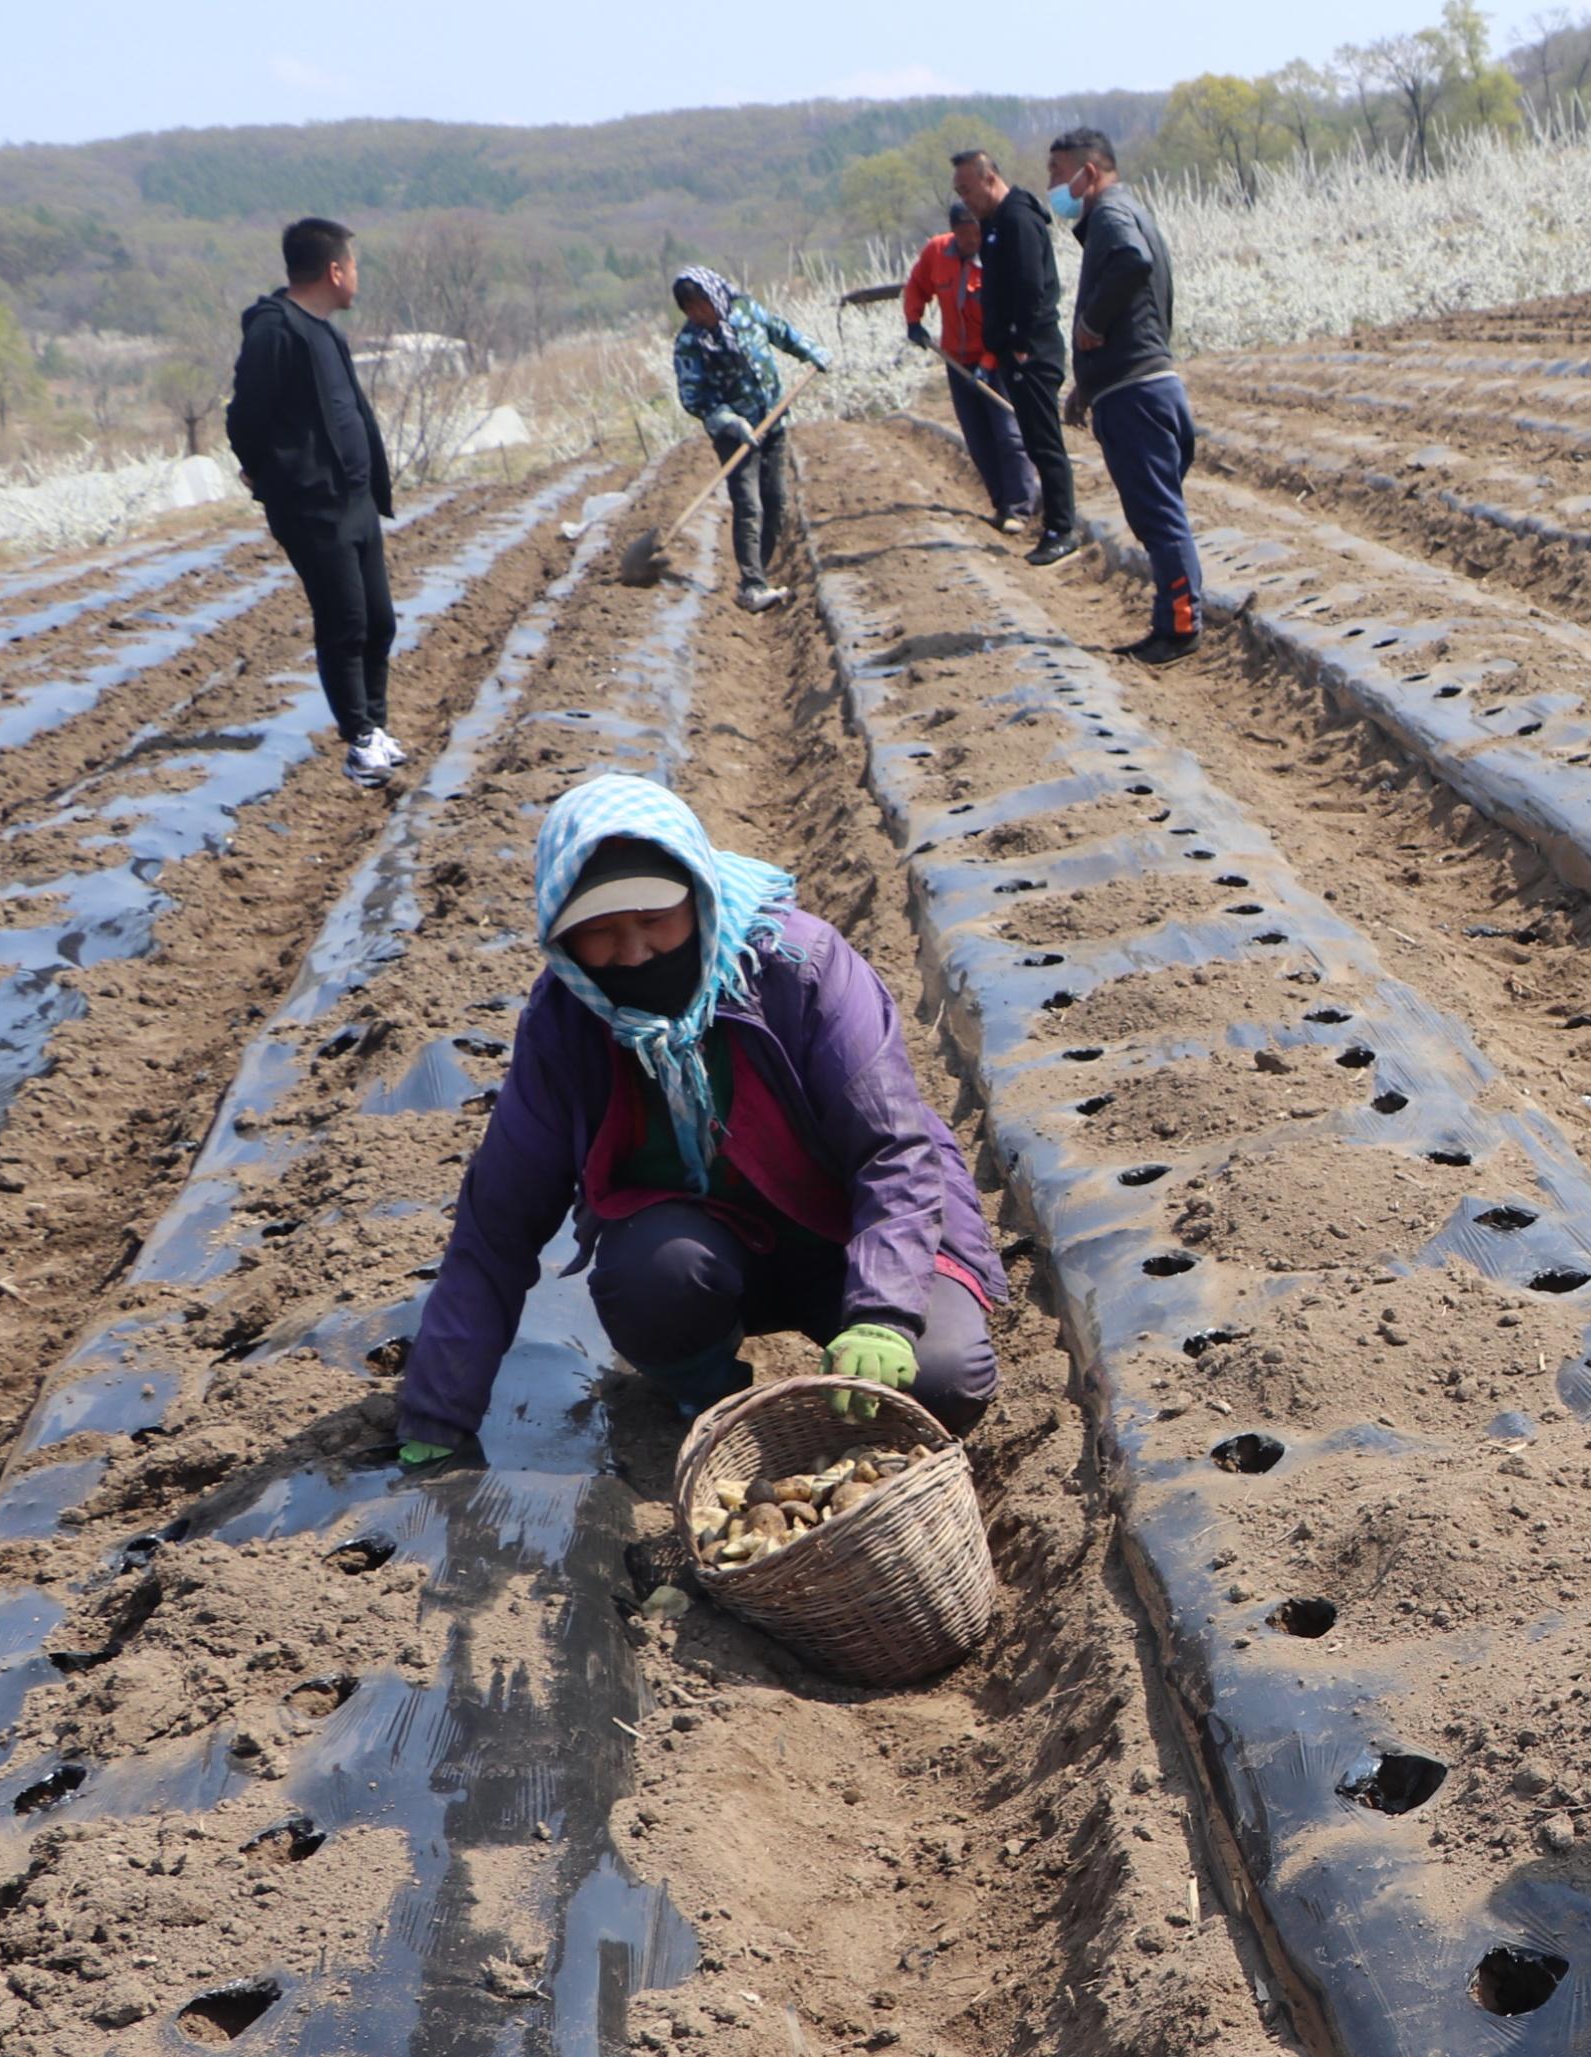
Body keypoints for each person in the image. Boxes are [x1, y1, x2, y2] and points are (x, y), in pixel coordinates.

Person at [396, 775, 1006, 1468]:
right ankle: (717, 1406)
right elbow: (500, 1217)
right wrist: (439, 1408)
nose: (632, 953)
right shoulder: (567, 1019)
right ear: (561, 931)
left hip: (852, 1229)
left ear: (699, 895)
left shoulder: (798, 968)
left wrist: (884, 1315)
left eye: (655, 920)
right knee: (652, 1275)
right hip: (711, 1252)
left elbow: (891, 1152)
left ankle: (861, 1403)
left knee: (942, 1377)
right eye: (598, 931)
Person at [227, 217, 401, 788]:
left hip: (355, 499)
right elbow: (244, 417)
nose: (357, 277)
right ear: (334, 270)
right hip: (313, 507)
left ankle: (375, 728)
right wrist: (275, 481)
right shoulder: (274, 332)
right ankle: (359, 741)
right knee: (344, 621)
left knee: (379, 620)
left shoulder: (326, 330)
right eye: (353, 266)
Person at [1047, 126, 1200, 662]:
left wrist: (1091, 319)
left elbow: (1131, 261)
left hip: (1137, 394)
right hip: (1142, 388)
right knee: (1157, 513)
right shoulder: (1127, 212)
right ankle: (1169, 622)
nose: (1053, 187)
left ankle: (1180, 629)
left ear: (1089, 172)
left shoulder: (1112, 215)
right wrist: (1085, 386)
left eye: (1057, 174)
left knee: (1160, 517)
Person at [669, 267, 829, 614]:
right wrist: (727, 420)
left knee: (776, 501)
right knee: (748, 504)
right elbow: (693, 396)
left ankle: (760, 572)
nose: (698, 315)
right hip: (733, 433)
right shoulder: (690, 343)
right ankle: (752, 584)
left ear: (715, 298)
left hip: (772, 421)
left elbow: (779, 332)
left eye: (701, 306)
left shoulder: (745, 311)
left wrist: (809, 350)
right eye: (690, 310)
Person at [953, 149, 1076, 568]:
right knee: (1034, 439)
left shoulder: (1018, 219)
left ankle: (1062, 529)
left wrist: (1020, 341)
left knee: (1044, 442)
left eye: (967, 189)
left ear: (989, 179)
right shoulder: (994, 223)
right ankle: (1054, 526)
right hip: (1013, 350)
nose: (963, 199)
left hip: (1033, 351)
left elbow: (1029, 287)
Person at [902, 200, 1037, 532]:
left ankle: (1022, 506)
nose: (970, 241)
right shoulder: (937, 252)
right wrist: (913, 320)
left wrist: (988, 363)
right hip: (957, 360)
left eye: (974, 233)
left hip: (995, 358)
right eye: (963, 234)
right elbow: (917, 284)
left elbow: (1002, 318)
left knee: (1008, 434)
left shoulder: (994, 259)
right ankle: (1002, 503)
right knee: (977, 437)